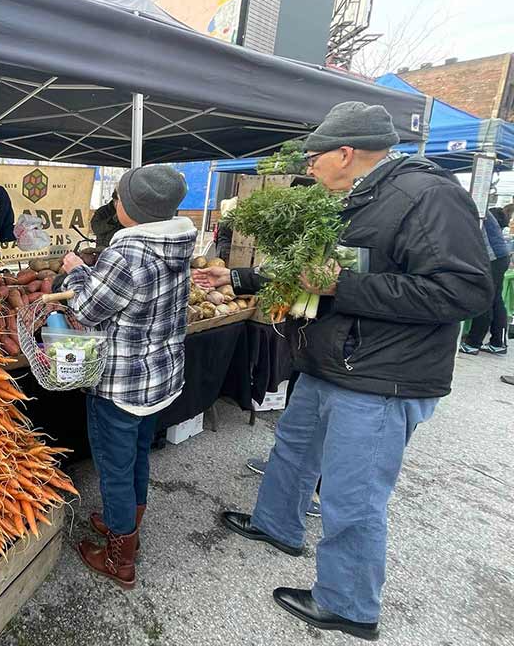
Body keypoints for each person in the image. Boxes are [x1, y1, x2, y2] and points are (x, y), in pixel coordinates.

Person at [193, 102, 491, 640]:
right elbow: (320, 271)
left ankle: (350, 604)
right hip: (336, 360)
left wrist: (341, 288)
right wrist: (240, 278)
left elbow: (464, 290)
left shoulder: (428, 195)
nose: (308, 166)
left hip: (382, 375)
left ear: (346, 153)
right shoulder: (354, 197)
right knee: (294, 449)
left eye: (313, 157)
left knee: (353, 495)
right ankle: (277, 526)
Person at [60, 164, 195, 590]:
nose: (114, 204)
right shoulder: (178, 245)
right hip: (156, 381)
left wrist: (76, 270)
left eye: (119, 198)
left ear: (133, 208)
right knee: (136, 455)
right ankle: (127, 524)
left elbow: (84, 310)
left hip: (119, 385)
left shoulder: (128, 254)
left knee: (115, 468)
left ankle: (121, 558)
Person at [460, 207, 510, 355]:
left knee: (484, 297)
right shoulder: (478, 205)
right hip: (500, 257)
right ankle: (497, 343)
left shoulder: (474, 207)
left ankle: (473, 343)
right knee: (495, 299)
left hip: (492, 258)